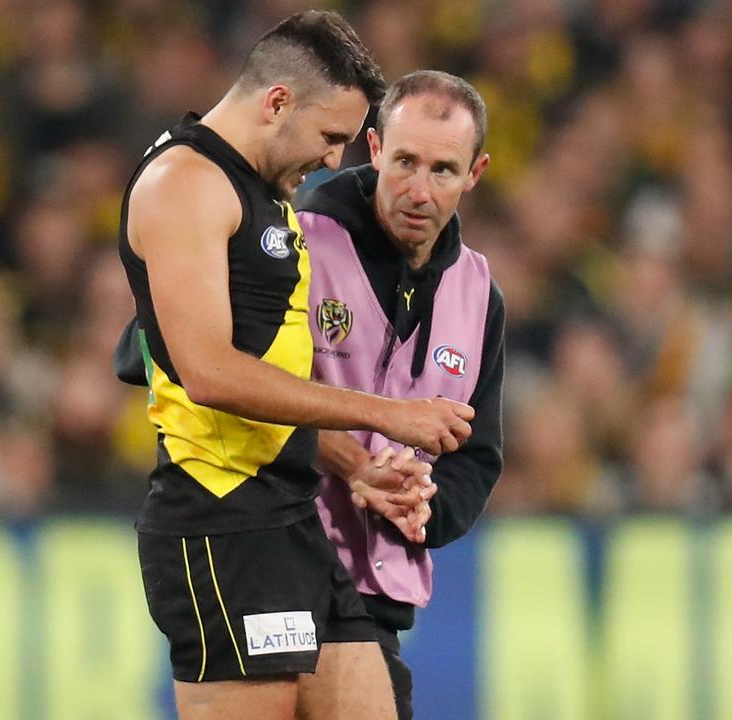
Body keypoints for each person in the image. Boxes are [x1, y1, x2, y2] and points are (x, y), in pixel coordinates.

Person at [117, 12, 475, 720]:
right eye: (332, 137)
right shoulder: (184, 184)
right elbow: (211, 373)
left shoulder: (257, 185)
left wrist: (356, 466)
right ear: (277, 101)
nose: (336, 161)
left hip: (291, 514)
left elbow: (266, 367)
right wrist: (387, 415)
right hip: (221, 523)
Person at [297, 69, 503, 720]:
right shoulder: (297, 243)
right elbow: (228, 384)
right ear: (375, 148)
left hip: (377, 591)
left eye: (443, 170)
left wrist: (421, 507)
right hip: (276, 555)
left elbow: (477, 452)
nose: (419, 189)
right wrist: (353, 465)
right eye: (406, 161)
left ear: (475, 173)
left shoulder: (478, 296)